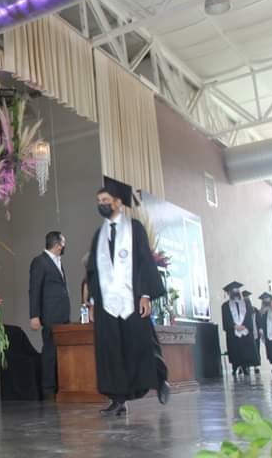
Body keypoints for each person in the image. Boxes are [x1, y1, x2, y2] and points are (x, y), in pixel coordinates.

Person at [86, 177, 169, 417]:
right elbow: (92, 270)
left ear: (118, 202)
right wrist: (92, 301)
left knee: (139, 344)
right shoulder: (98, 235)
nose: (101, 204)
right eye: (99, 201)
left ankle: (160, 379)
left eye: (105, 200)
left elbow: (144, 262)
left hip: (132, 298)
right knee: (110, 350)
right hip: (106, 303)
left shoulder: (134, 229)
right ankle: (117, 398)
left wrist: (145, 295)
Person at [29, 231, 71, 398]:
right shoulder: (40, 262)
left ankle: (61, 387)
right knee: (50, 352)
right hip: (50, 315)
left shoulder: (58, 262)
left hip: (62, 315)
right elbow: (34, 289)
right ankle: (48, 390)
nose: (64, 246)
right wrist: (34, 315)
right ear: (57, 244)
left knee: (61, 353)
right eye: (63, 243)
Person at [221, 282, 259, 376]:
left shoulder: (246, 303)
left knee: (246, 350)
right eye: (232, 290)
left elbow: (249, 316)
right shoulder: (225, 306)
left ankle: (245, 367)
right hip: (233, 331)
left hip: (245, 330)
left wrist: (245, 326)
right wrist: (234, 326)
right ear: (229, 293)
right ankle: (235, 367)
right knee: (235, 350)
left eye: (236, 289)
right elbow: (226, 319)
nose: (235, 291)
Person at [242, 290, 261, 374]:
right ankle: (247, 366)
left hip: (255, 332)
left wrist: (260, 328)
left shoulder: (255, 310)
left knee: (257, 349)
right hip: (246, 333)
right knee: (247, 350)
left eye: (248, 298)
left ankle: (256, 366)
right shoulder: (242, 310)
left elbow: (259, 320)